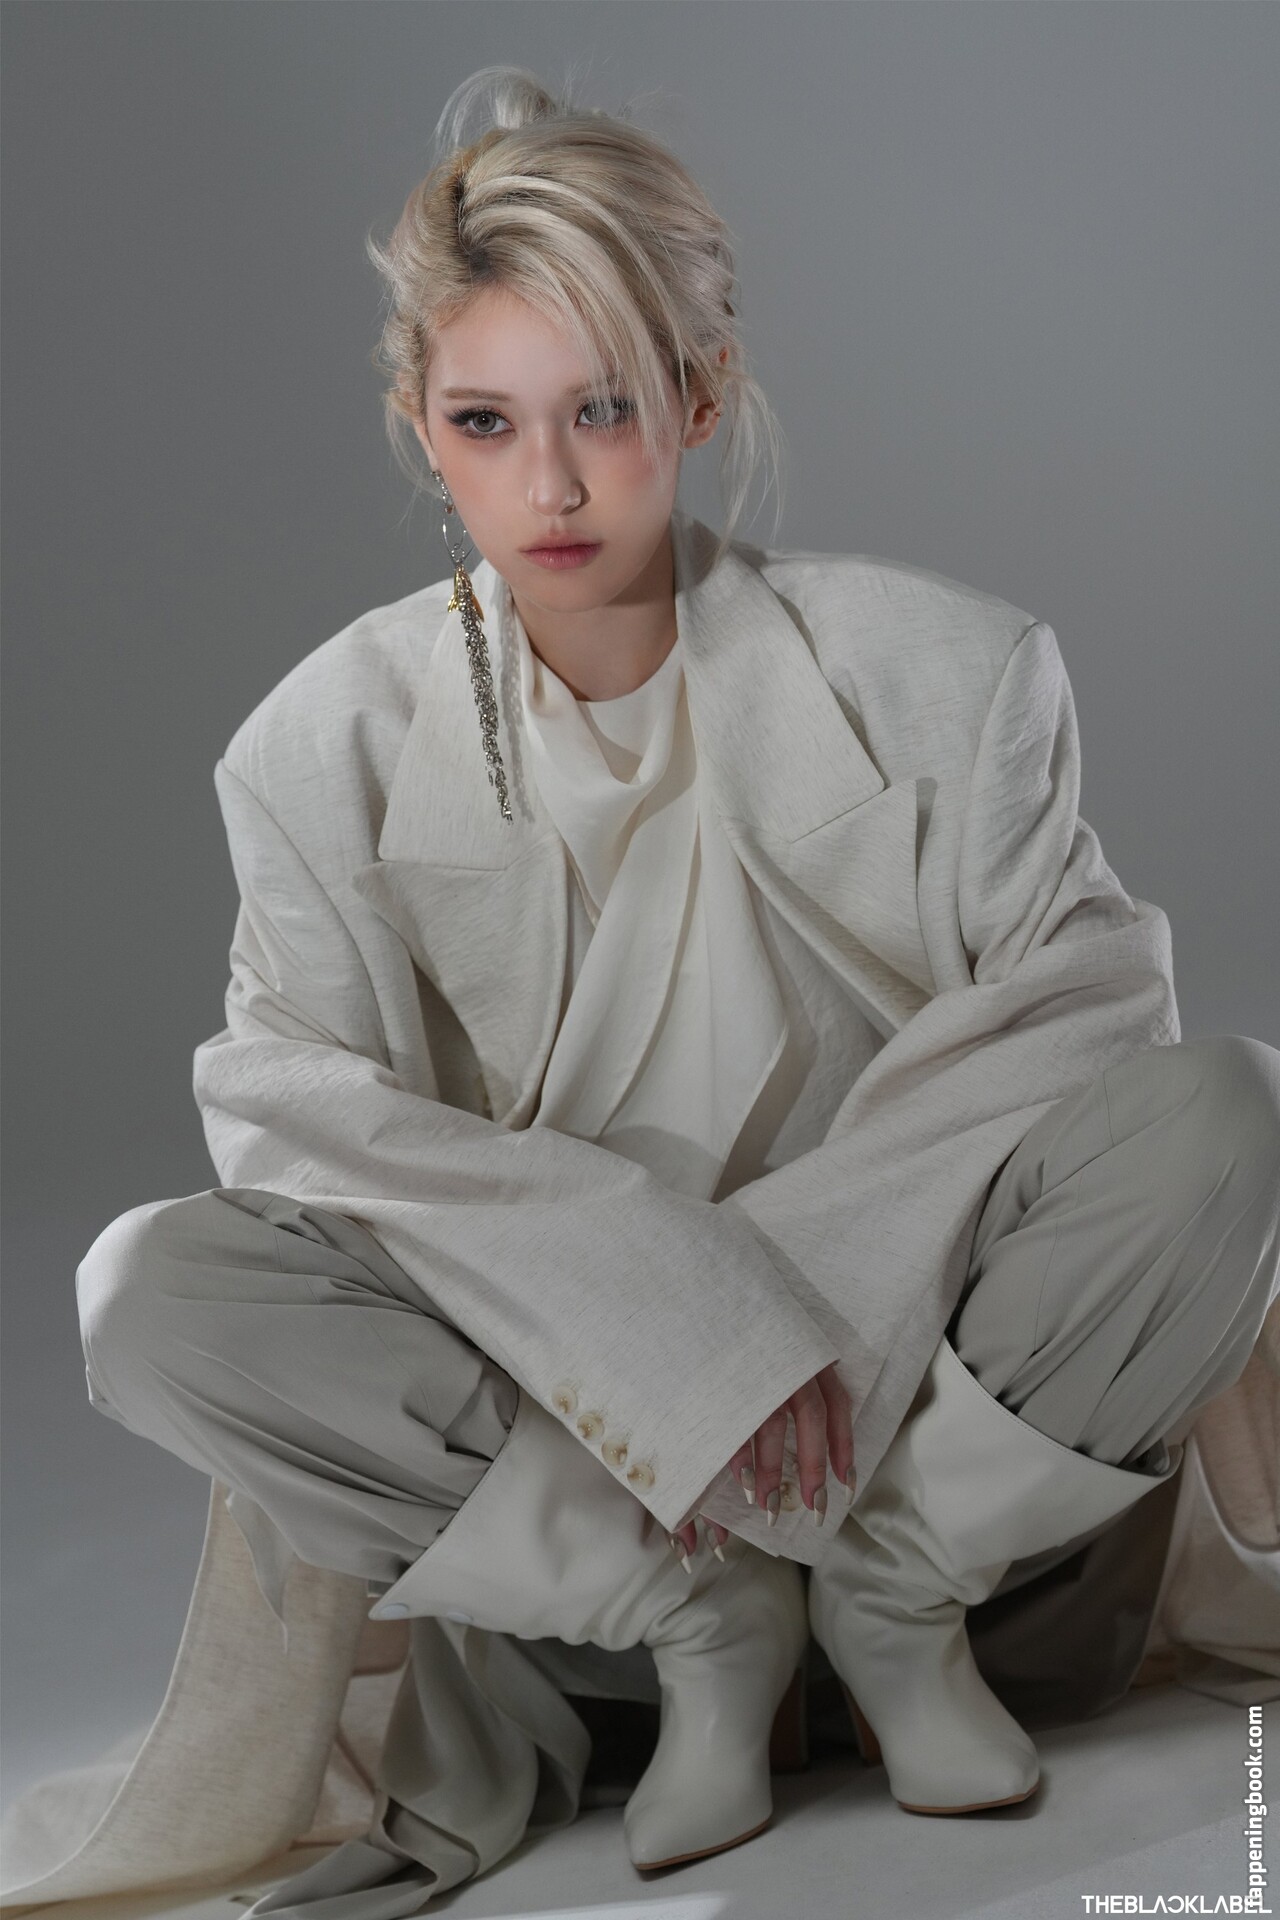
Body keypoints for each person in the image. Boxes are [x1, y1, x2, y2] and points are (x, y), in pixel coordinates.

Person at [41, 61, 1280, 1920]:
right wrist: (659, 1311)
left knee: (1230, 1110)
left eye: (604, 410)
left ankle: (892, 1596)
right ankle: (701, 1614)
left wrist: (789, 1307)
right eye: (486, 421)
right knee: (152, 1288)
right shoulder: (316, 751)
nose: (548, 485)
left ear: (701, 397)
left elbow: (1091, 1008)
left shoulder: (951, 671)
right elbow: (298, 1121)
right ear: (421, 426)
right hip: (593, 1533)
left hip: (952, 1475)